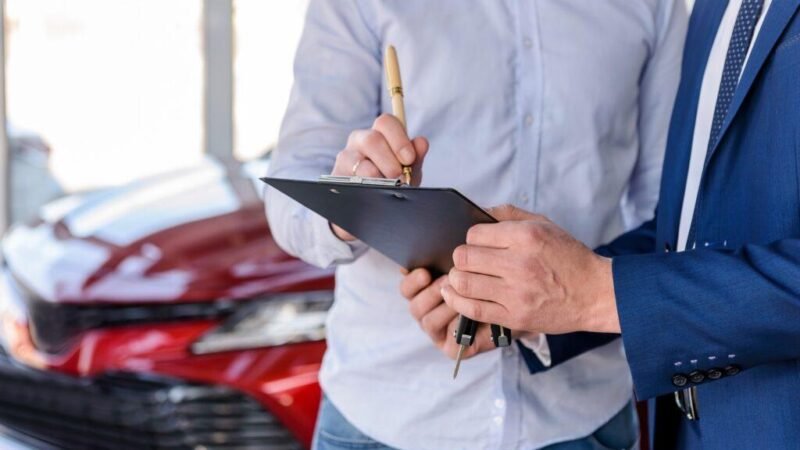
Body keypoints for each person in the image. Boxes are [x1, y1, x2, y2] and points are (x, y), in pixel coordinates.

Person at [266, 1, 687, 449]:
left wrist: (572, 305)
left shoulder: (653, 6)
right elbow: (290, 192)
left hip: (578, 416)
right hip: (386, 413)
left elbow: (668, 214)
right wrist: (351, 200)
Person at [440, 0, 800, 448]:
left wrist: (597, 293)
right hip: (687, 426)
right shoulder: (714, 8)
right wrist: (535, 300)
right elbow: (683, 230)